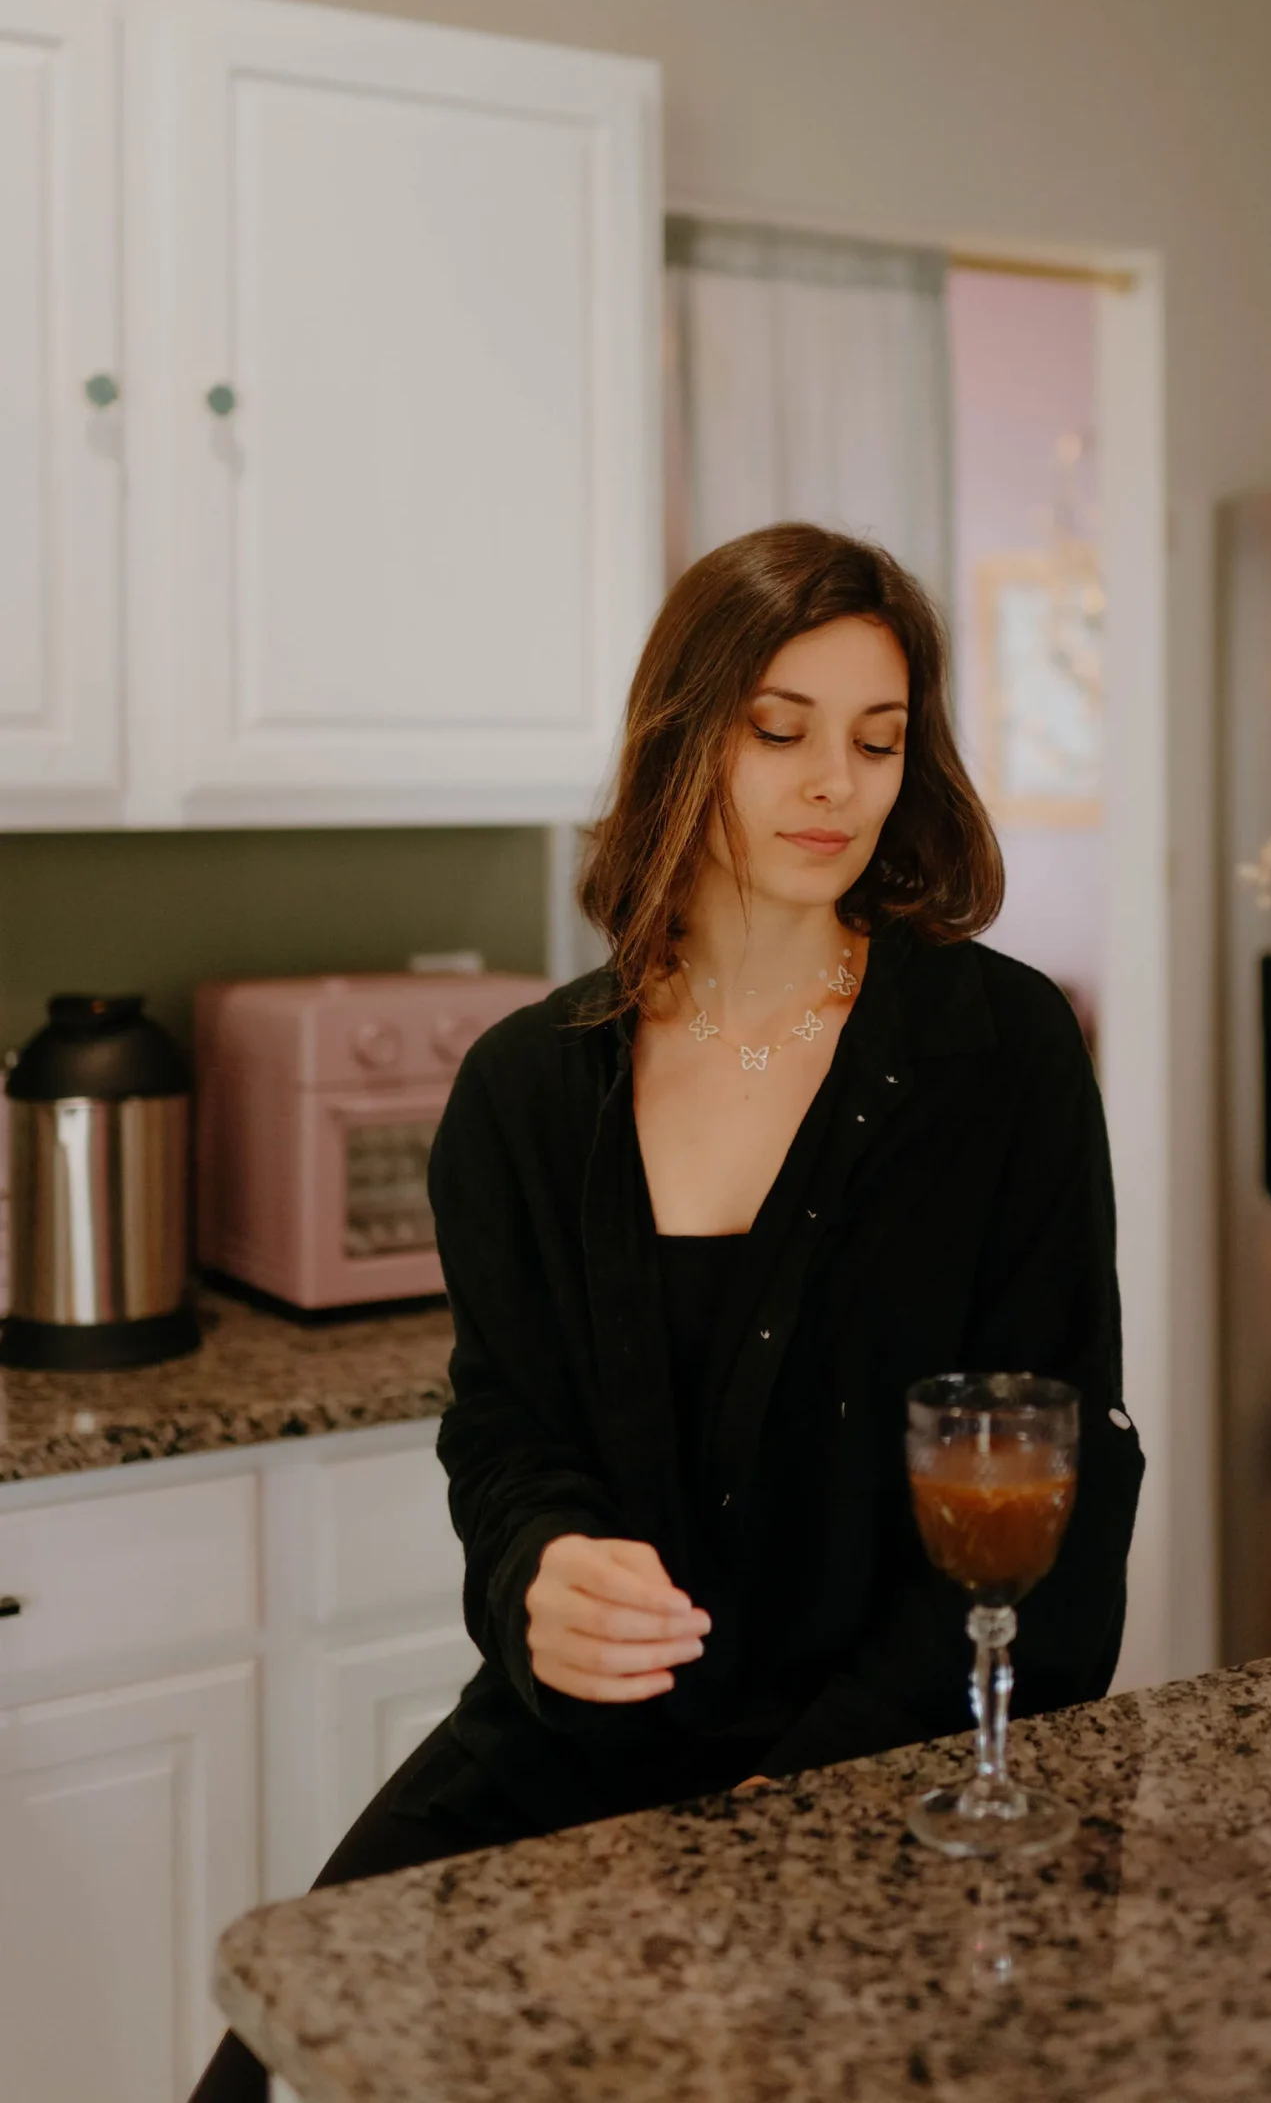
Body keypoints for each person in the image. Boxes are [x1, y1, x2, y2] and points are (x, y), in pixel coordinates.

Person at [192, 521, 1143, 2103]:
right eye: (778, 732)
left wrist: (800, 1796)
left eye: (876, 739)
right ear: (681, 735)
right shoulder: (524, 1089)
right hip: (576, 1750)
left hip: (888, 1758)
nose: (831, 784)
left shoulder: (999, 1053)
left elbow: (1057, 1458)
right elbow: (503, 1430)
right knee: (280, 2063)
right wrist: (534, 1569)